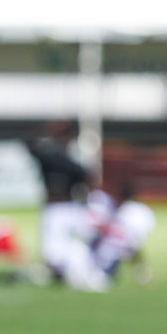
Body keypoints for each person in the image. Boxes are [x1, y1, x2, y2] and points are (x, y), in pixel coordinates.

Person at [25, 121, 106, 291]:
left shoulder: (72, 161)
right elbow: (27, 143)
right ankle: (66, 273)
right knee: (51, 255)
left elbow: (89, 179)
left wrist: (88, 203)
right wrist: (47, 128)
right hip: (52, 210)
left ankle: (88, 269)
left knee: (84, 240)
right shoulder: (47, 156)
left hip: (70, 208)